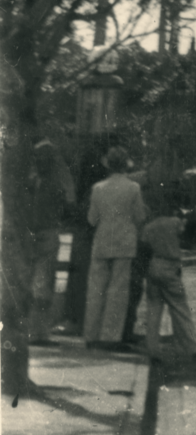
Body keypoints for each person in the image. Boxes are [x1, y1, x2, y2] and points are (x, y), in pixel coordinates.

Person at [82, 148, 148, 349]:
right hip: (124, 242)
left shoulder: (98, 188)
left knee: (96, 290)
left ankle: (91, 335)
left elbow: (92, 219)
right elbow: (140, 217)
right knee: (118, 291)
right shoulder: (133, 188)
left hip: (102, 241)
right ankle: (110, 337)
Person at [139, 200, 196, 363]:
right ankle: (192, 347)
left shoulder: (149, 226)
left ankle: (153, 349)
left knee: (154, 310)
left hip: (154, 264)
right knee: (180, 308)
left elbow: (144, 246)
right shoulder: (175, 222)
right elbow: (186, 236)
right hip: (170, 265)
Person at [26, 140, 75, 344]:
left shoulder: (32, 180)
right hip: (48, 232)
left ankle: (31, 329)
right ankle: (39, 332)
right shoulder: (57, 181)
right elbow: (68, 203)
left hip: (30, 234)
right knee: (44, 284)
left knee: (33, 282)